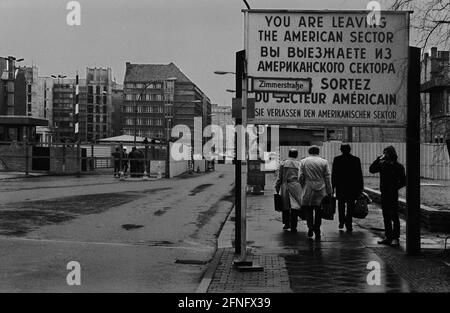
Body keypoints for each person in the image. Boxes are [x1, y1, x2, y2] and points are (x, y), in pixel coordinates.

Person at [369, 146, 406, 247]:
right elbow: (371, 170)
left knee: (394, 215)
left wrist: (395, 188)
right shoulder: (382, 164)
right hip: (384, 193)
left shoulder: (398, 166)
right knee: (386, 216)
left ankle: (395, 238)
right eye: (384, 153)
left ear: (392, 154)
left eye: (387, 153)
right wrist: (377, 160)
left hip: (392, 194)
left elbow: (404, 181)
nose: (385, 155)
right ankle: (388, 237)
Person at [300, 146, 332, 240]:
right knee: (319, 210)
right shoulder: (324, 162)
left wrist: (301, 188)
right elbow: (327, 177)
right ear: (318, 152)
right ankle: (317, 229)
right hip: (321, 189)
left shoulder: (304, 161)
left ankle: (310, 227)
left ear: (309, 152)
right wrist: (329, 191)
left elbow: (301, 176)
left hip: (308, 188)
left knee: (308, 209)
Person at [332, 144, 364, 233]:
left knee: (341, 205)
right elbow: (359, 175)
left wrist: (332, 187)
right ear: (350, 150)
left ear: (341, 150)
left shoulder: (337, 159)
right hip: (352, 187)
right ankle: (348, 223)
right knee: (350, 206)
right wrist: (361, 188)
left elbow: (334, 174)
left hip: (341, 186)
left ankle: (341, 221)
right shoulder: (356, 160)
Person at [275, 149, 303, 232]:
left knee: (285, 206)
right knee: (295, 206)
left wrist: (277, 187)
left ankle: (286, 224)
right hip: (296, 186)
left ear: (289, 154)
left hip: (285, 185)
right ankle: (294, 225)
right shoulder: (299, 164)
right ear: (296, 155)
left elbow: (279, 177)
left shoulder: (283, 163)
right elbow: (301, 177)